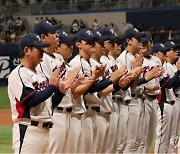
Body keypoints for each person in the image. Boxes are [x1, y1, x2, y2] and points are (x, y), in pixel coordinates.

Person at [8, 33, 66, 153]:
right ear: (27, 50)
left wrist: (60, 91)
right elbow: (30, 101)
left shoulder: (40, 75)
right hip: (28, 131)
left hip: (45, 131)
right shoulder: (19, 73)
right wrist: (51, 87)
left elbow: (49, 105)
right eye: (39, 48)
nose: (42, 51)